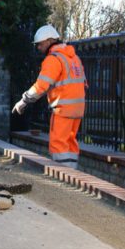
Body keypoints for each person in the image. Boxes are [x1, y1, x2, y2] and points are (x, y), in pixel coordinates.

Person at [12, 25, 87, 169]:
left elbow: (41, 85)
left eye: (40, 44)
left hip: (62, 108)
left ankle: (63, 174)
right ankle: (73, 173)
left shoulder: (53, 59)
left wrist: (24, 100)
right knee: (70, 142)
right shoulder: (73, 57)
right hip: (77, 108)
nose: (39, 48)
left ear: (50, 41)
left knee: (58, 142)